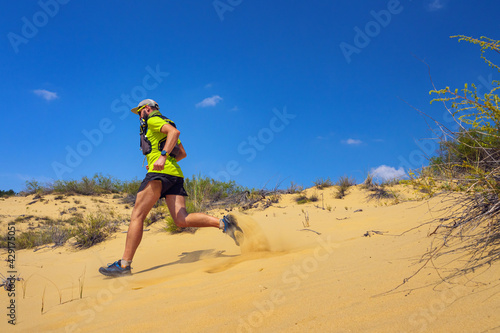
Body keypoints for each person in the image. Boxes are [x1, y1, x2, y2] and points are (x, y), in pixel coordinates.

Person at [99, 99, 242, 277]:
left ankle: (124, 265)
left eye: (140, 111)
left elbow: (174, 132)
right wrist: (160, 161)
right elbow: (182, 153)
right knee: (181, 220)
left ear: (148, 109)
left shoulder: (153, 120)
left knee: (137, 215)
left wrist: (162, 158)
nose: (139, 115)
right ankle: (224, 224)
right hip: (175, 175)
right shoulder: (164, 122)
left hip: (160, 176)